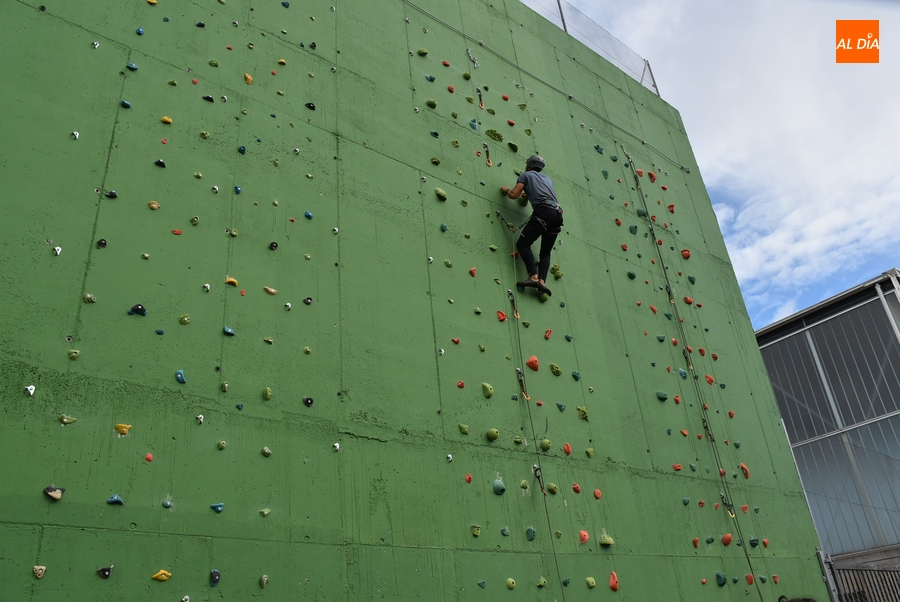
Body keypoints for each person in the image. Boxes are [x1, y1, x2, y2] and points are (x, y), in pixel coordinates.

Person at [500, 155, 563, 296]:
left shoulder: (525, 175)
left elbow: (513, 195)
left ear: (528, 166)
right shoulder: (547, 179)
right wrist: (528, 194)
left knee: (523, 244)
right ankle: (542, 282)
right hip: (557, 214)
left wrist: (506, 190)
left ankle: (533, 277)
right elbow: (543, 192)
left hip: (543, 213)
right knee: (545, 252)